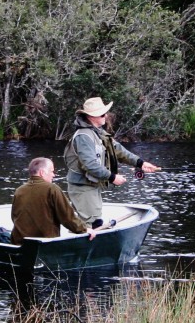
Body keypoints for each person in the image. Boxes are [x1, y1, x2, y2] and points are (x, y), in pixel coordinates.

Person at [63, 96, 160, 227]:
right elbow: (90, 165)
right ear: (91, 117)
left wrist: (141, 163)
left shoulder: (99, 133)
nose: (106, 116)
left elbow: (119, 151)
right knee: (94, 224)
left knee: (91, 223)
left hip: (91, 186)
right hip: (82, 188)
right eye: (102, 114)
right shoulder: (84, 137)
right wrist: (112, 177)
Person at [11, 157, 95, 245]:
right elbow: (67, 217)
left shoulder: (19, 191)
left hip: (19, 243)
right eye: (51, 171)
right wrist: (84, 230)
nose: (53, 175)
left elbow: (14, 217)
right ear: (42, 173)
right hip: (44, 244)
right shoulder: (52, 189)